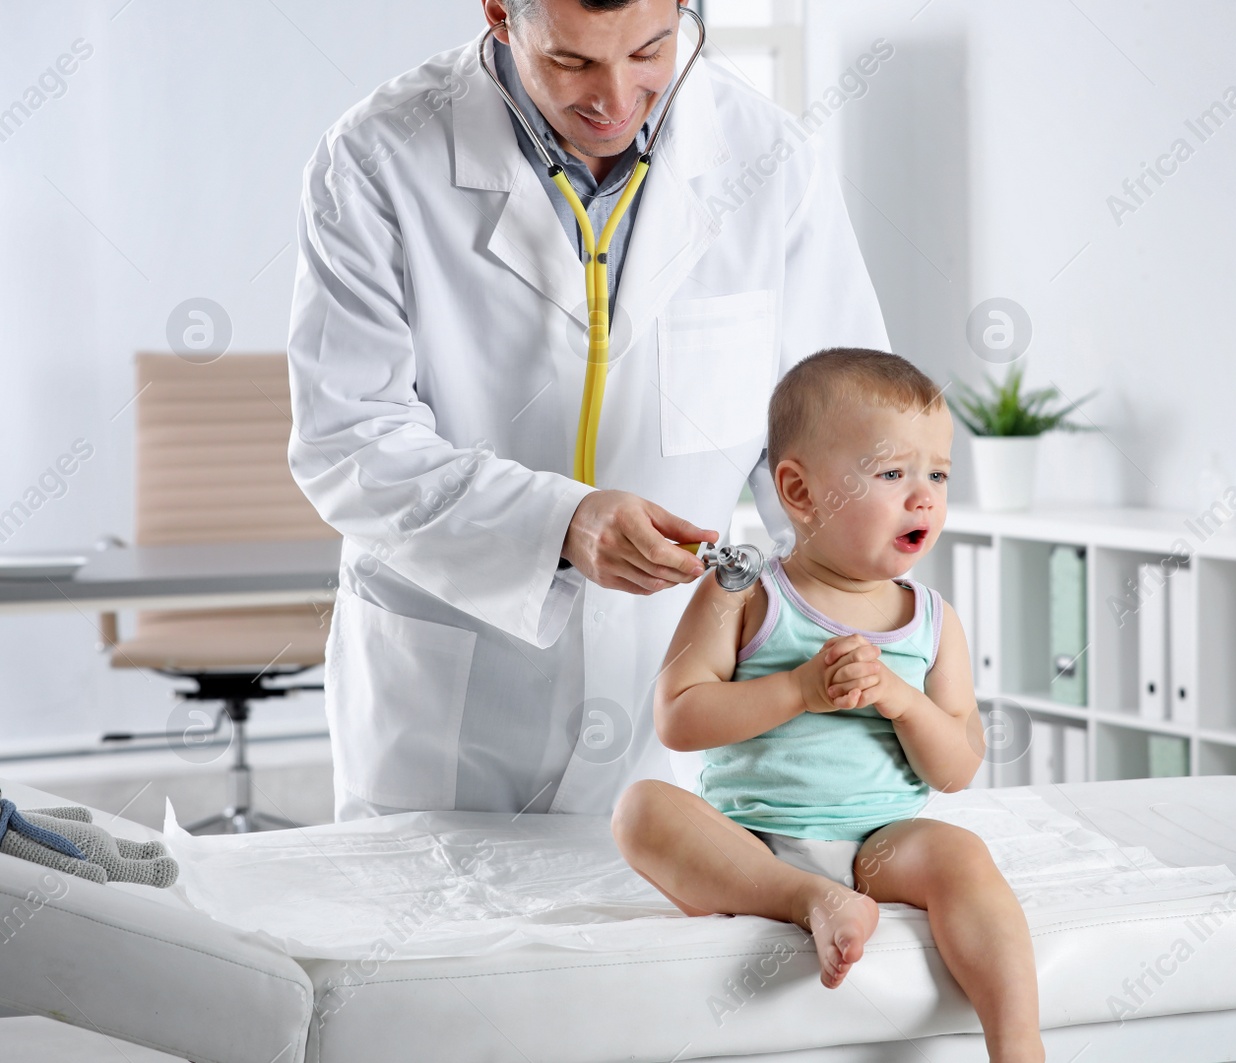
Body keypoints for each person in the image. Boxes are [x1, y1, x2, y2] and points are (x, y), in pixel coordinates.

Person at [285, 0, 887, 821]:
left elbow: (844, 427)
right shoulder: (378, 159)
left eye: (649, 50)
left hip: (680, 692)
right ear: (501, 12)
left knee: (653, 942)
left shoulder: (771, 162)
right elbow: (348, 442)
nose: (616, 99)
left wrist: (839, 632)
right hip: (453, 706)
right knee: (442, 945)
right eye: (572, 63)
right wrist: (558, 524)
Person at [611, 350, 1046, 1063]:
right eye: (892, 473)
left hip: (882, 841)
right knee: (640, 812)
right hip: (752, 837)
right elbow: (679, 717)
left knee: (963, 855)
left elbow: (959, 766)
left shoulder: (933, 619)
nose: (924, 496)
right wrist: (799, 690)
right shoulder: (745, 593)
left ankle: (1019, 1043)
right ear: (799, 491)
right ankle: (806, 898)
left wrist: (902, 700)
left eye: (937, 473)